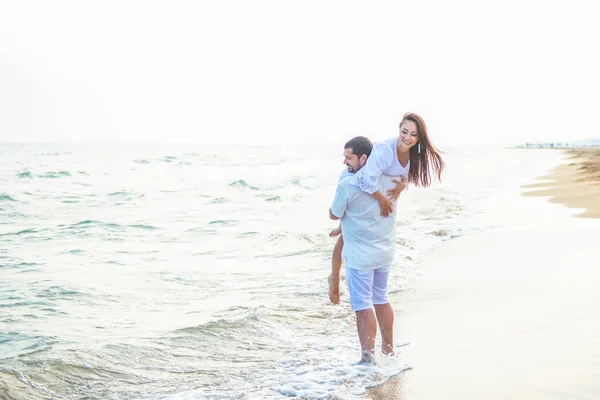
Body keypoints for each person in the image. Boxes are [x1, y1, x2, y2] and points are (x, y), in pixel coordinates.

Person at [328, 112, 445, 305]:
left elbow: (407, 175)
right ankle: (334, 277)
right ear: (399, 129)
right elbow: (363, 179)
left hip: (370, 189)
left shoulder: (415, 154)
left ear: (419, 137)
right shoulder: (385, 150)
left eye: (413, 134)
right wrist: (382, 199)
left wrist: (403, 185)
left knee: (349, 230)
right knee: (347, 233)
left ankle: (343, 226)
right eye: (404, 131)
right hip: (357, 180)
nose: (407, 137)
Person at [328, 136, 402, 363]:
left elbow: (334, 213)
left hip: (360, 257)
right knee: (381, 298)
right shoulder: (390, 178)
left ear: (363, 158)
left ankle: (367, 359)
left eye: (348, 158)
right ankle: (389, 350)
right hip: (385, 250)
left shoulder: (348, 183)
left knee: (362, 306)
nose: (344, 163)